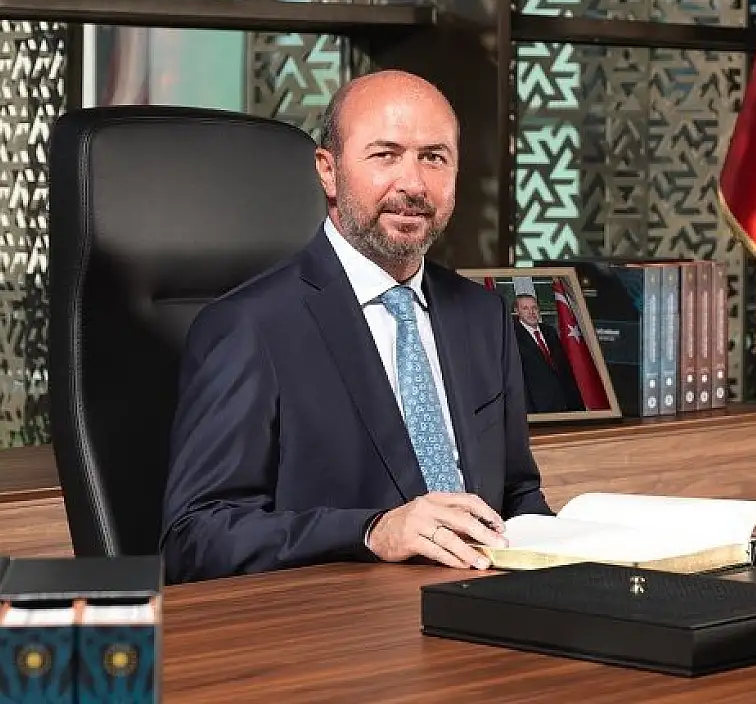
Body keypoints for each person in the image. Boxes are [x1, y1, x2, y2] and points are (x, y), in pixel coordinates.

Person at [160, 70, 551, 584]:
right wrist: (370, 532)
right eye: (385, 155)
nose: (414, 184)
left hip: (482, 600)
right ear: (328, 171)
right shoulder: (249, 326)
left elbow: (518, 495)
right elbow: (195, 536)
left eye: (434, 157)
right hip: (341, 616)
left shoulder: (483, 316)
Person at [511, 294, 584, 413]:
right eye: (525, 308)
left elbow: (564, 368)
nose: (531, 312)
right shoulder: (512, 336)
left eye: (534, 307)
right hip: (538, 407)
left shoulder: (550, 331)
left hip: (566, 404)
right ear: (517, 311)